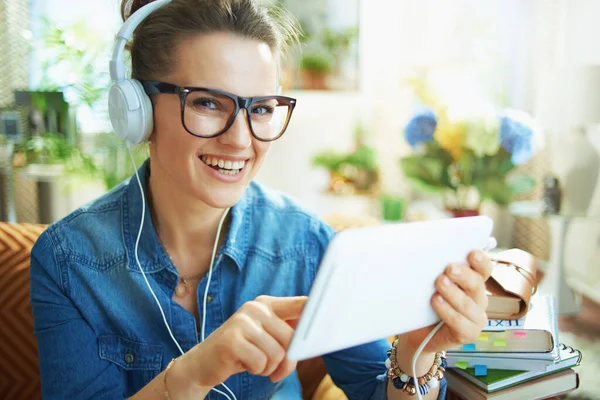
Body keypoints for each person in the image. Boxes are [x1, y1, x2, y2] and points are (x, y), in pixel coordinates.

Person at [29, 0, 493, 399]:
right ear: (140, 111)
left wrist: (417, 352)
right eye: (208, 103)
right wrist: (192, 374)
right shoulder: (68, 260)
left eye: (261, 109)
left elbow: (377, 389)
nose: (240, 140)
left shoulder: (305, 241)